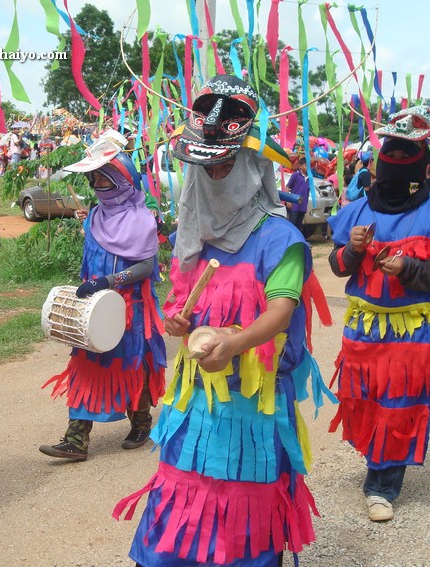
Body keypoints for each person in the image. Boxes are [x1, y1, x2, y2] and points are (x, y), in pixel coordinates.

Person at [115, 75, 325, 566]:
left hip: (254, 406)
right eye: (204, 168)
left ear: (250, 166)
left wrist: (233, 343)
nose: (212, 177)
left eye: (224, 166)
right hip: (196, 402)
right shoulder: (197, 236)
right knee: (182, 496)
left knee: (244, 508)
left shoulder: (280, 240)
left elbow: (280, 312)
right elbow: (184, 301)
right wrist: (179, 322)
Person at [327, 105, 430, 522]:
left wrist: (408, 268)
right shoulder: (356, 210)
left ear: (422, 165)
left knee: (400, 405)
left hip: (412, 336)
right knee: (365, 403)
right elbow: (337, 266)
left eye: (408, 155)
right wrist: (352, 250)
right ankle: (377, 463)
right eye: (392, 153)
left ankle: (382, 485)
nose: (398, 161)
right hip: (363, 332)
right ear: (379, 158)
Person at [40, 130, 166, 461]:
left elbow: (146, 266)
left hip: (130, 310)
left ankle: (141, 423)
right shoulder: (95, 216)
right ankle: (76, 440)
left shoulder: (141, 220)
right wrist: (90, 288)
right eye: (93, 179)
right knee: (85, 365)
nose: (97, 186)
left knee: (131, 367)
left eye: (103, 180)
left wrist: (109, 281)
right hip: (94, 309)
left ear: (122, 182)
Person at [285, 154, 309, 231]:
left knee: (299, 225)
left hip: (303, 206)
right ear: (300, 166)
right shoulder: (296, 175)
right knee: (292, 224)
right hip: (294, 205)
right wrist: (288, 201)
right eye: (306, 165)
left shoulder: (309, 178)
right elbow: (287, 187)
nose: (308, 167)